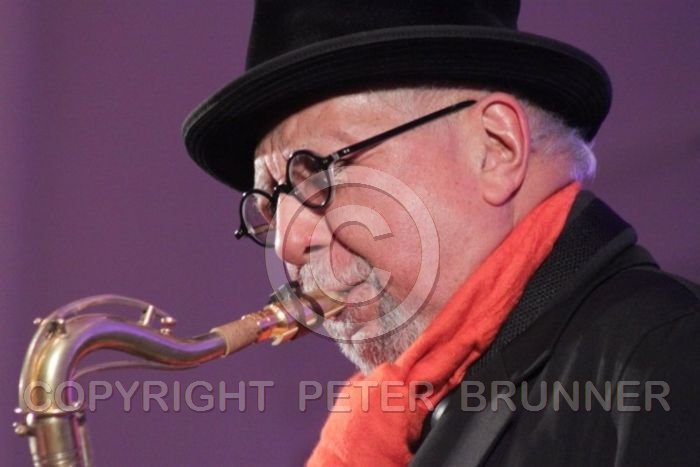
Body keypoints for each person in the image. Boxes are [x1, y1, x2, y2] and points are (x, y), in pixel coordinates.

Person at [182, 1, 700, 465]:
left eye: (319, 172)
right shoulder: (418, 417)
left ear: (496, 147)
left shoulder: (670, 357)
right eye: (270, 206)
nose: (287, 244)